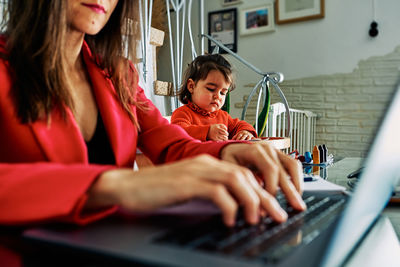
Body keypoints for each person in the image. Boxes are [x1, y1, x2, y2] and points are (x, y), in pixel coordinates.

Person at [0, 0, 305, 228]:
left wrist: (231, 152)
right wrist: (116, 184)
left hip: (118, 245)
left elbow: (173, 144)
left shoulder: (119, 74)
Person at [172, 54, 257, 141]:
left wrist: (245, 132)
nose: (218, 96)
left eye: (223, 93)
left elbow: (241, 125)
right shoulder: (183, 113)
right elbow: (177, 133)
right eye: (211, 89)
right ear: (191, 86)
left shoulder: (223, 116)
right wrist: (207, 132)